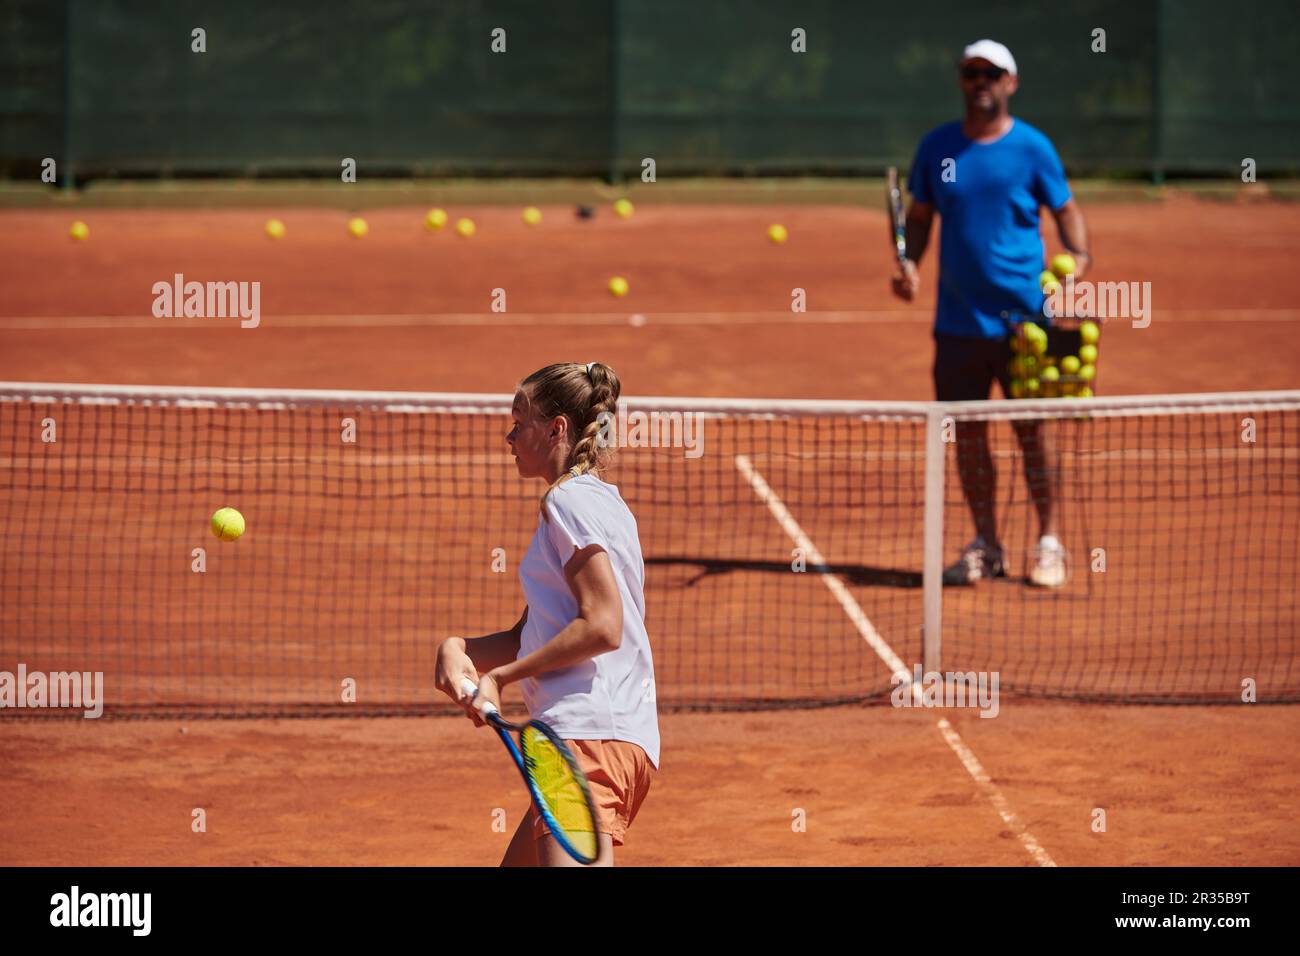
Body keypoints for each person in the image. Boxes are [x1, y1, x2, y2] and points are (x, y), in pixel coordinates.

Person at [435, 362, 659, 866]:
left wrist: (503, 679)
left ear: (556, 428)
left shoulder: (566, 501)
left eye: (520, 421)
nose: (510, 435)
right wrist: (459, 650)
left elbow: (602, 625)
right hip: (613, 738)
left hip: (584, 739)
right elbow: (534, 633)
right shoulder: (602, 501)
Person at [891, 39, 1092, 588]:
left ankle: (1049, 542)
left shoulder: (1033, 148)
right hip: (958, 323)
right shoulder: (938, 148)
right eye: (971, 72)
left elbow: (1067, 210)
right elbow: (923, 216)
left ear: (1010, 82)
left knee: (1035, 430)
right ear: (962, 79)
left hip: (1029, 321)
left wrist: (1079, 256)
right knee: (970, 435)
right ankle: (987, 543)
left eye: (990, 73)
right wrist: (910, 266)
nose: (980, 81)